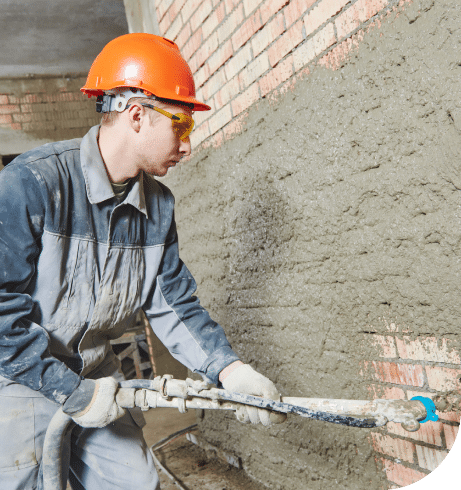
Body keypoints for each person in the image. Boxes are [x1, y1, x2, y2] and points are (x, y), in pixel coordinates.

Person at [0, 33, 285, 490]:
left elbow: (173, 305)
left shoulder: (159, 208)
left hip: (96, 372)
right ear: (137, 116)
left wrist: (231, 371)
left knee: (134, 482)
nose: (187, 145)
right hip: (18, 376)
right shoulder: (31, 185)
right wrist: (69, 392)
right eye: (182, 125)